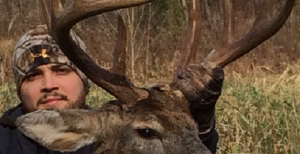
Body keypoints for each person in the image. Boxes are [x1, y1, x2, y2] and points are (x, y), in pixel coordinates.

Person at [0, 25, 224, 154]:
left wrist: (202, 123)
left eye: (61, 70)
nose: (49, 85)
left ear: (85, 81)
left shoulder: (113, 133)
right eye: (33, 75)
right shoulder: (4, 142)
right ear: (20, 90)